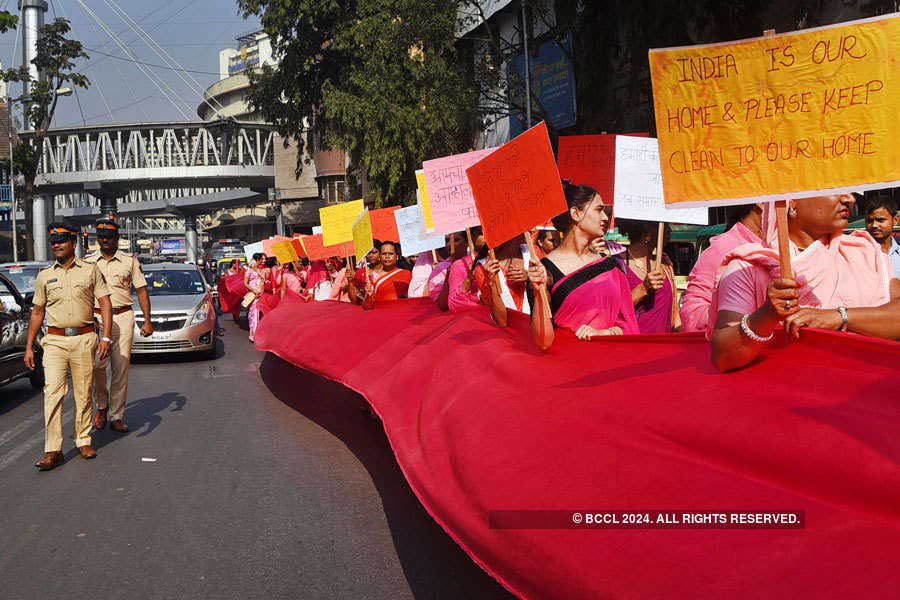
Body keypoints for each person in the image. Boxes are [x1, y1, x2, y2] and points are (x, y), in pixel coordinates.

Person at [710, 195, 900, 372]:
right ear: (792, 204)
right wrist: (766, 314)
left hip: (860, 396)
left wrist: (839, 317)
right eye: (833, 189)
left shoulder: (866, 253)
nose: (849, 199)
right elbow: (723, 357)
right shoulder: (747, 267)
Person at [25, 222, 113, 470]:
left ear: (73, 243)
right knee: (52, 393)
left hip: (84, 338)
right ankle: (53, 450)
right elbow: (37, 312)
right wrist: (29, 346)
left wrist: (105, 337)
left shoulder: (90, 270)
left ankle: (83, 440)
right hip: (54, 341)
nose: (56, 245)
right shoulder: (44, 275)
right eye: (53, 241)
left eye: (62, 240)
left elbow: (105, 303)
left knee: (84, 392)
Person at [527, 182, 638, 350]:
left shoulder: (611, 267)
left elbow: (629, 326)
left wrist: (606, 333)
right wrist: (537, 292)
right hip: (567, 369)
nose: (605, 218)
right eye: (598, 210)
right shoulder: (544, 272)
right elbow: (543, 342)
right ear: (575, 213)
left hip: (609, 363)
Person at [88, 218, 153, 434]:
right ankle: (102, 407)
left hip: (122, 317)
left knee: (120, 368)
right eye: (101, 237)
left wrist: (147, 320)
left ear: (117, 238)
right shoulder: (88, 262)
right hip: (96, 319)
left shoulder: (130, 261)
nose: (104, 240)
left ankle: (116, 415)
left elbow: (142, 290)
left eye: (109, 236)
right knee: (97, 366)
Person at [681, 204, 764, 332]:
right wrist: (738, 316)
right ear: (761, 204)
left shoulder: (778, 245)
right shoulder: (723, 247)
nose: (791, 204)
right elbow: (693, 315)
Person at [617, 219, 681, 333]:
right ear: (647, 229)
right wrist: (643, 288)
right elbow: (613, 311)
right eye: (665, 225)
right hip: (634, 346)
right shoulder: (617, 265)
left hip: (664, 347)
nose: (669, 230)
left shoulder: (665, 263)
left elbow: (674, 314)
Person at [447, 227, 489, 312]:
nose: (486, 236)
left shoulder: (502, 257)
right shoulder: (460, 265)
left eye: (489, 231)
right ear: (470, 237)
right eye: (481, 233)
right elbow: (453, 304)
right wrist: (469, 279)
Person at [362, 241, 412, 309]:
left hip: (401, 313)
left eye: (390, 254)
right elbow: (367, 307)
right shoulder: (373, 277)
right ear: (380, 256)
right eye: (384, 254)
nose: (387, 257)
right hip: (380, 315)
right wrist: (368, 295)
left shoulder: (406, 274)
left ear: (397, 256)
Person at [428, 233, 467, 311]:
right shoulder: (440, 269)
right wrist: (449, 275)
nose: (450, 244)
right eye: (447, 241)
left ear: (467, 242)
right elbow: (442, 305)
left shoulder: (475, 262)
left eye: (455, 240)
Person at [864, 194, 900, 277]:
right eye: (869, 221)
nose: (874, 225)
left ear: (895, 220)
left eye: (880, 220)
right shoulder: (857, 254)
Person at [244, 253, 268, 342]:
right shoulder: (249, 270)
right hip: (253, 295)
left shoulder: (261, 271)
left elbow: (262, 282)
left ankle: (259, 333)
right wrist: (253, 290)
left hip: (260, 294)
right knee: (253, 314)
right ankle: (253, 334)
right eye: (261, 259)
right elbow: (245, 283)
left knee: (260, 314)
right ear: (257, 260)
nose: (262, 261)